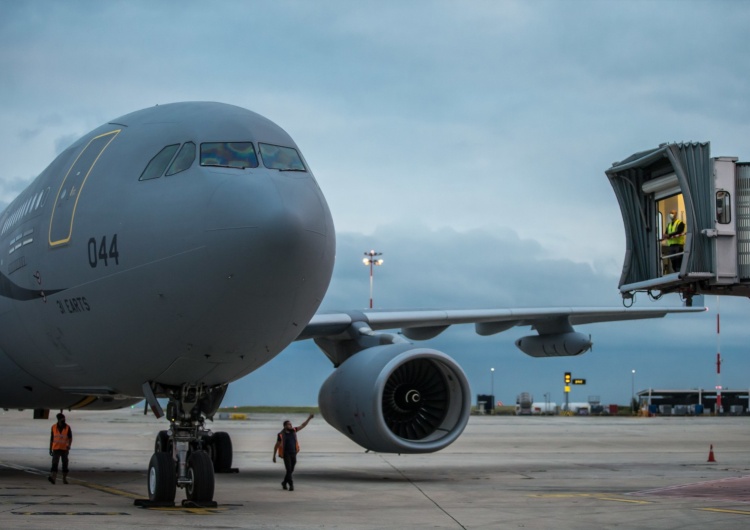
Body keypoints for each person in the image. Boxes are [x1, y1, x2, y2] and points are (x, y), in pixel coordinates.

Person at [273, 414, 313, 491]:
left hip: (293, 453)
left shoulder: (294, 430)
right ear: (284, 426)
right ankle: (291, 485)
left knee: (291, 470)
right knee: (288, 469)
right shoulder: (281, 435)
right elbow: (276, 446)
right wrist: (274, 456)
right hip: (286, 454)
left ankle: (284, 482)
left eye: (291, 424)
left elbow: (303, 425)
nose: (291, 425)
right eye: (289, 424)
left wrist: (309, 418)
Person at [48, 413, 72, 485]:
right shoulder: (53, 427)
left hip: (64, 449)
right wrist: (50, 449)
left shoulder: (67, 427)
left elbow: (70, 438)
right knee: (54, 464)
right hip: (56, 448)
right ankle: (53, 478)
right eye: (62, 419)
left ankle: (64, 479)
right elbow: (52, 439)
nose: (64, 420)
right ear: (59, 419)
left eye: (64, 418)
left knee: (65, 464)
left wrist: (68, 446)